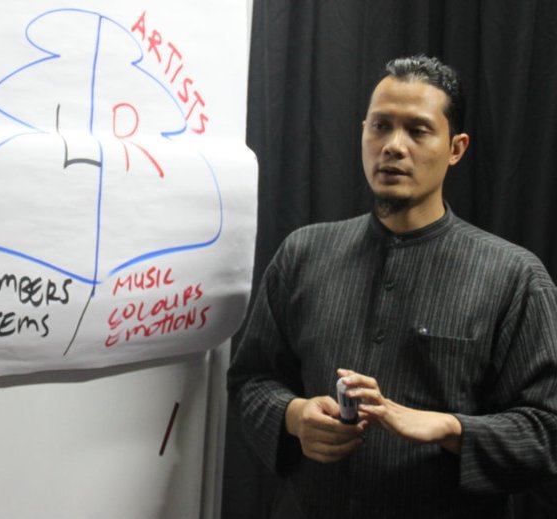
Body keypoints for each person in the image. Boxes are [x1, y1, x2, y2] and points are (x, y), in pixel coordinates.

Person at [227, 55, 557, 518]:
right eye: (380, 127)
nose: (393, 147)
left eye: (418, 131)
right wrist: (293, 416)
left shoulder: (513, 278)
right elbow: (250, 380)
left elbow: (546, 431)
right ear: (363, 132)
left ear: (456, 148)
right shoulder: (303, 254)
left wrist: (451, 428)